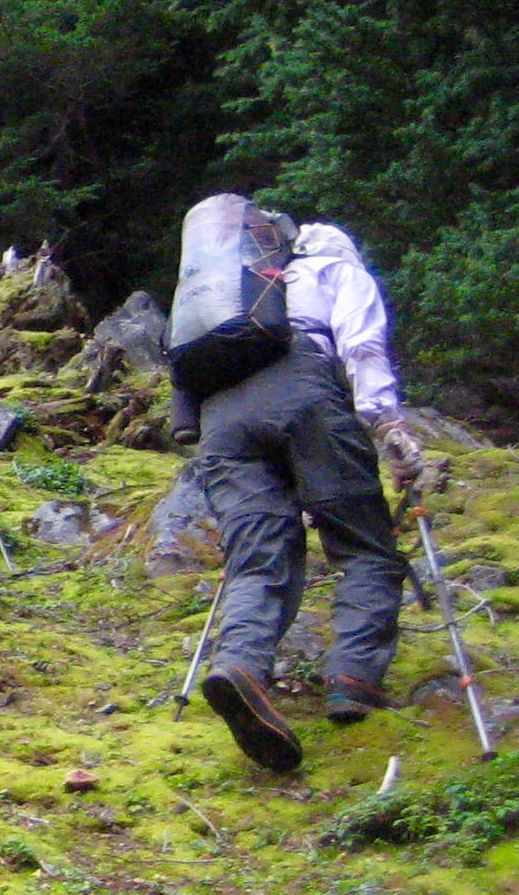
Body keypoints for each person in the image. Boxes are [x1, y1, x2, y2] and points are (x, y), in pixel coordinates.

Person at [172, 219, 423, 773]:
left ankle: (239, 667)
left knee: (260, 557)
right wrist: (388, 429)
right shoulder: (338, 270)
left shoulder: (246, 294)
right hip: (306, 393)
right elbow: (362, 346)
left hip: (221, 416)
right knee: (364, 547)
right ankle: (353, 679)